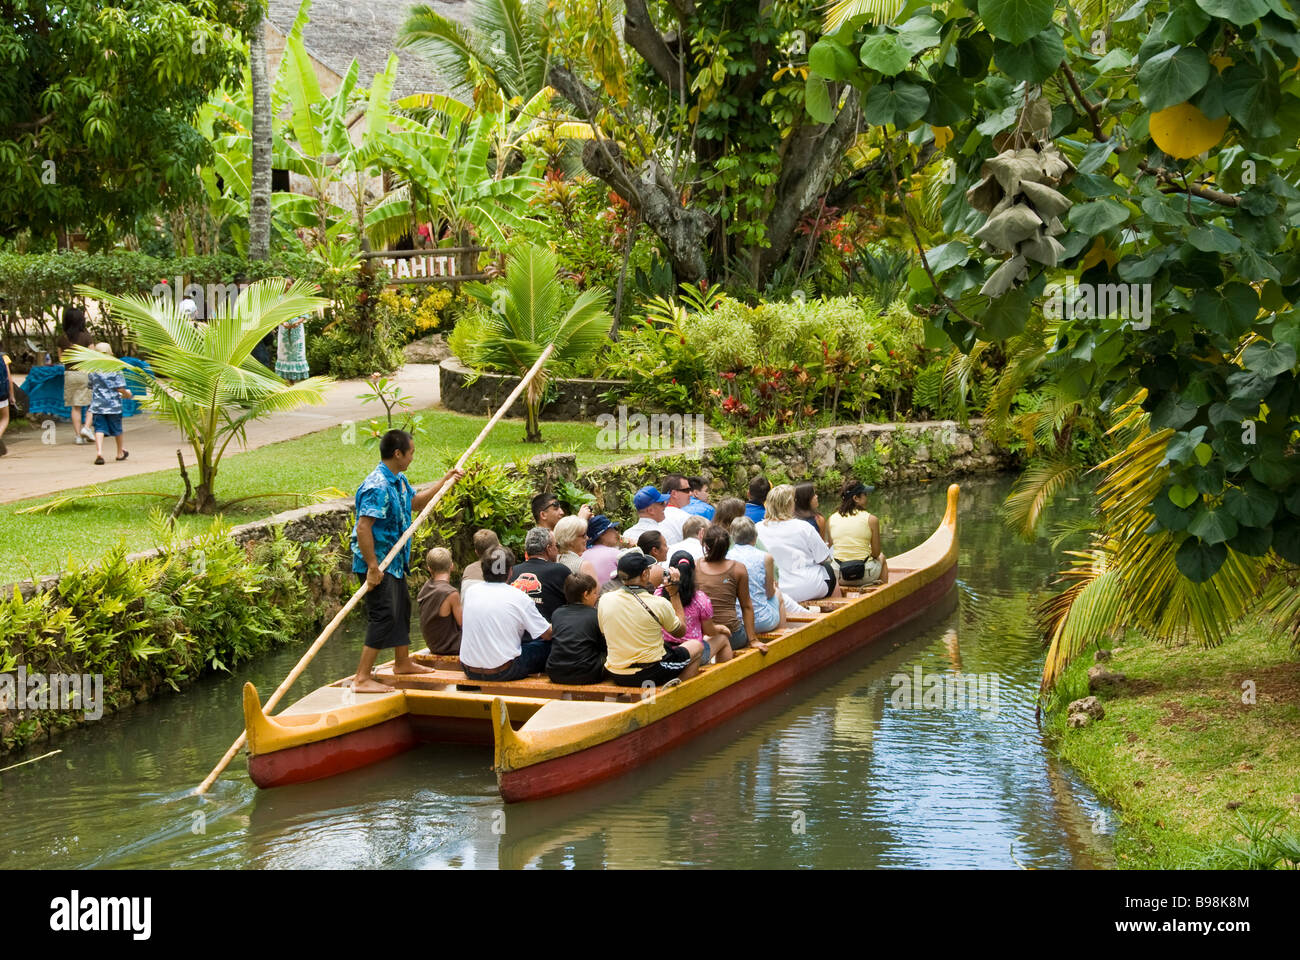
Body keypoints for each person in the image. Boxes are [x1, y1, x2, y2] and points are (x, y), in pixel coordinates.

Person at [349, 429, 464, 692]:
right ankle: (362, 678)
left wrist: (445, 482)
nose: (413, 457)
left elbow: (415, 502)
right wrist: (372, 567)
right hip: (377, 565)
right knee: (384, 616)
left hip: (396, 563)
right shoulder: (377, 485)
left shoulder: (398, 480)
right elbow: (364, 528)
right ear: (398, 453)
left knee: (402, 611)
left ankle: (402, 662)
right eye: (411, 452)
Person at [600, 551, 708, 687]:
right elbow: (680, 631)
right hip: (649, 672)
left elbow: (604, 632)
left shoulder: (605, 599)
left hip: (616, 672)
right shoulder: (658, 603)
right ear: (645, 574)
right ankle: (676, 696)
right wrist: (674, 594)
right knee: (697, 646)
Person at [459, 546, 553, 681]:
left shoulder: (471, 592)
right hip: (504, 670)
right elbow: (547, 634)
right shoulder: (519, 596)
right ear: (510, 572)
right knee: (547, 645)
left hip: (469, 670)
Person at [757, 484, 841, 603]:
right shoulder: (804, 527)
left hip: (775, 589)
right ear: (790, 504)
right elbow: (824, 558)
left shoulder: (756, 529)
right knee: (829, 570)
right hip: (808, 587)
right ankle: (839, 611)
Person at [695, 524, 766, 653]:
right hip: (732, 635)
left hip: (702, 633)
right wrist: (753, 640)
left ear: (705, 545)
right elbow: (747, 606)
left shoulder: (695, 565)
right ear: (728, 545)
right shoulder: (738, 569)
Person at [656, 551, 733, 663]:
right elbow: (709, 631)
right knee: (723, 638)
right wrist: (720, 628)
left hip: (666, 651)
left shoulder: (658, 594)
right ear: (693, 571)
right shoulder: (700, 599)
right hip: (693, 654)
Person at [545, 573, 608, 685]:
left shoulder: (557, 613)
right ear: (586, 594)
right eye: (594, 593)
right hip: (587, 673)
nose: (597, 596)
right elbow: (603, 646)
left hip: (555, 672)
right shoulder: (595, 615)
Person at [727, 517, 785, 633]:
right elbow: (770, 593)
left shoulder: (726, 557)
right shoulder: (766, 557)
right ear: (755, 536)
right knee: (778, 593)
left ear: (733, 537)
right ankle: (783, 633)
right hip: (762, 620)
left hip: (737, 620)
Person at [828, 480, 889, 587]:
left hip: (839, 576)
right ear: (856, 498)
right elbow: (875, 553)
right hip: (865, 575)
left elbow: (832, 549)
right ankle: (883, 593)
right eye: (865, 495)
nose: (867, 498)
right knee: (882, 557)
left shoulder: (831, 519)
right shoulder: (871, 519)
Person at [508, 526, 571, 621]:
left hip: (515, 632)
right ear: (549, 548)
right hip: (550, 632)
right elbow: (575, 605)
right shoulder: (560, 571)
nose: (557, 550)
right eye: (556, 546)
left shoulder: (511, 571)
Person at [87, 343, 132, 465]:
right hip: (114, 406)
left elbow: (90, 385)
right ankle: (119, 453)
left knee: (99, 429)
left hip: (98, 405)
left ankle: (100, 452)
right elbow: (120, 388)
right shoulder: (115, 368)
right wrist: (128, 394)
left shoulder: (92, 370)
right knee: (117, 430)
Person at [58, 307, 94, 444]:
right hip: (85, 373)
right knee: (92, 404)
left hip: (70, 374)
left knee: (75, 406)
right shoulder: (86, 337)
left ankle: (78, 436)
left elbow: (62, 359)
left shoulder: (62, 339)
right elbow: (93, 356)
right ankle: (86, 428)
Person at [417, 547, 462, 655]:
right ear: (452, 566)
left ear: (429, 568)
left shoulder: (425, 588)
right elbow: (463, 623)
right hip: (450, 647)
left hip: (433, 646)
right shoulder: (451, 593)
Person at [553, 514, 600, 581]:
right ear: (570, 539)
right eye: (583, 535)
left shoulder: (553, 562)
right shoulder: (583, 565)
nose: (587, 538)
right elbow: (595, 591)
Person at [583, 515, 623, 584]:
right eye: (612, 529)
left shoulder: (583, 555)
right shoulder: (616, 554)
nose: (616, 532)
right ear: (602, 534)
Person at [275, 310, 311, 382]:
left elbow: (305, 313)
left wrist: (298, 322)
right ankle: (286, 381)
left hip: (297, 328)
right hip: (283, 328)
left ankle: (298, 381)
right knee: (284, 353)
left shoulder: (299, 298)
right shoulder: (279, 298)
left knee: (297, 353)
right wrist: (282, 323)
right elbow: (276, 314)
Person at [659, 473, 692, 543]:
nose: (690, 494)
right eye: (687, 490)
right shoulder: (686, 518)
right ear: (674, 493)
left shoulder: (655, 516)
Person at [0, 348, 12, 457]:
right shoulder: (4, 357)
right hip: (1, 394)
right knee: (5, 418)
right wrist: (12, 395)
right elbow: (9, 378)